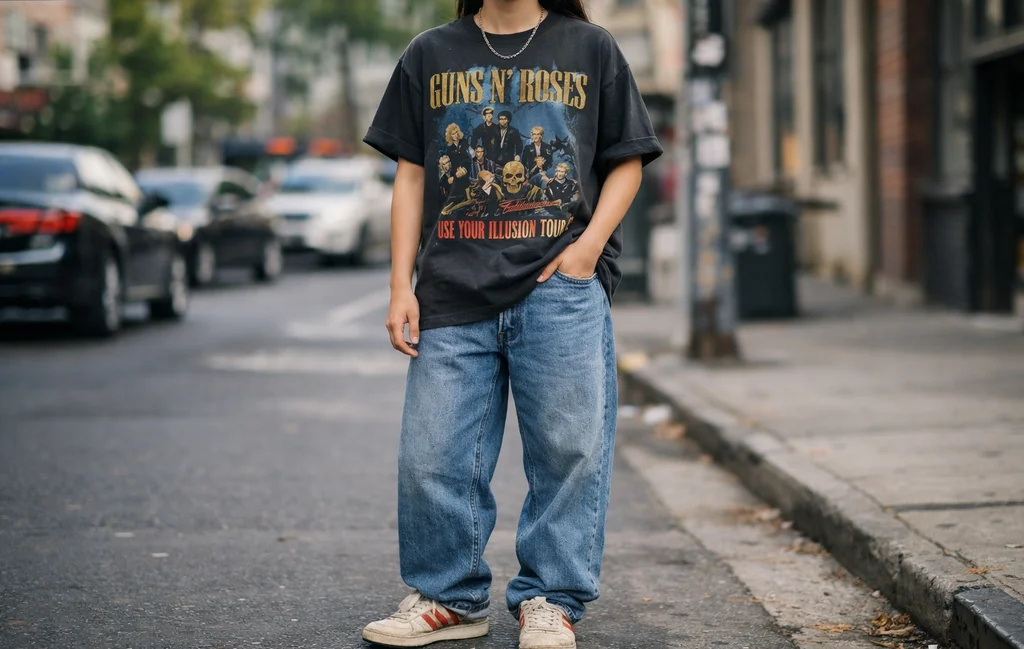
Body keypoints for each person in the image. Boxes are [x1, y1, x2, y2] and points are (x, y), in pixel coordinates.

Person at [362, 0, 662, 647]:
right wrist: (398, 285)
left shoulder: (591, 47)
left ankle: (552, 598)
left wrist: (586, 252)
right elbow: (411, 175)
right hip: (451, 288)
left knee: (569, 450)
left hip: (560, 289)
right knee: (432, 454)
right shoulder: (429, 54)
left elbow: (626, 161)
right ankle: (449, 596)